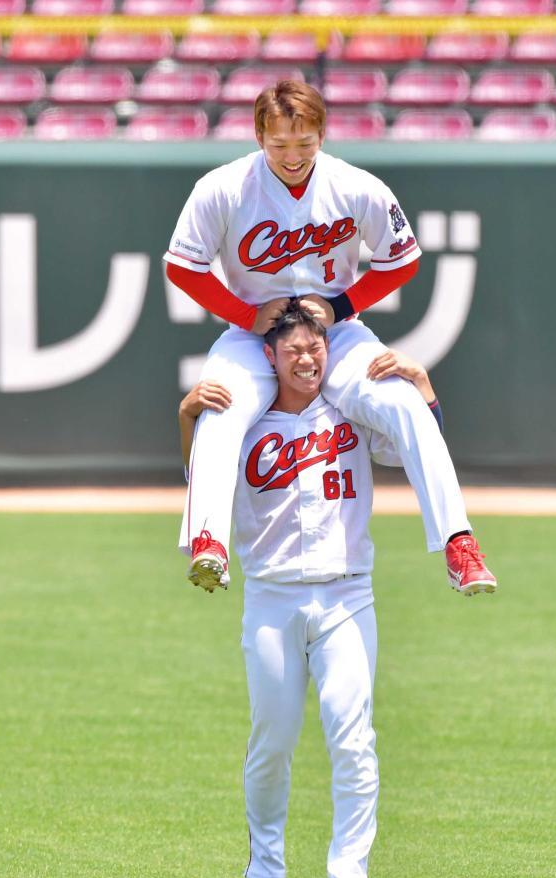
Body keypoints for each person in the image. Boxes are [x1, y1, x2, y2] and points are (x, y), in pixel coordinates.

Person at [165, 79, 496, 597]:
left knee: (402, 401)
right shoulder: (224, 187)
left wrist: (343, 304)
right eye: (279, 145)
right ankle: (210, 541)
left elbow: (402, 259)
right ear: (258, 136)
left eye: (304, 143)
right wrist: (247, 315)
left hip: (334, 333)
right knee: (218, 408)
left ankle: (459, 543)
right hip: (253, 336)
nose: (293, 155)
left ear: (322, 132)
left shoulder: (355, 185)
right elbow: (183, 267)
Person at [178, 302, 452, 878]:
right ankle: (267, 871)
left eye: (316, 347)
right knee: (272, 741)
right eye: (294, 349)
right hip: (271, 595)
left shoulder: (350, 412)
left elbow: (414, 446)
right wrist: (187, 416)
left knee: (353, 737)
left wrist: (423, 389)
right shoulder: (243, 421)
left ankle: (350, 873)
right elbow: (198, 476)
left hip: (347, 593)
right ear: (268, 356)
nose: (307, 358)